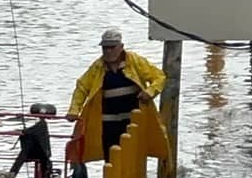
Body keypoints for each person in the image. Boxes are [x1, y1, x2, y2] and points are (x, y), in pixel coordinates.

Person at [65, 28, 173, 166]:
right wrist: (74, 110)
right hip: (107, 123)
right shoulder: (98, 67)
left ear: (121, 47)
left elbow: (159, 77)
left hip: (133, 122)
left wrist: (149, 92)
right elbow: (82, 88)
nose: (108, 51)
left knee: (133, 158)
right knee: (111, 159)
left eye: (112, 47)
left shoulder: (134, 61)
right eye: (105, 48)